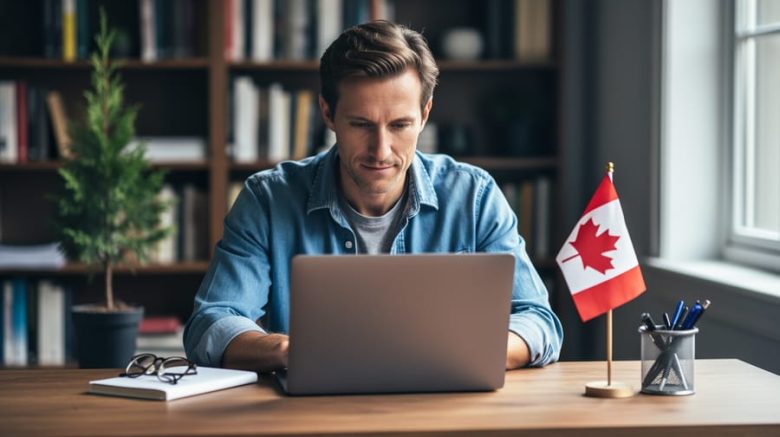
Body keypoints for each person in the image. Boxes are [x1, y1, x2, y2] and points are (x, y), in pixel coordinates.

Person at [183, 20, 562, 372]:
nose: (380, 150)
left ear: (425, 114)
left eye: (400, 125)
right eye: (361, 125)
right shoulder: (267, 200)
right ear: (328, 114)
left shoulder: (473, 196)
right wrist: (290, 350)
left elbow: (537, 320)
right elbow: (211, 323)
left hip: (446, 410)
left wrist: (466, 350)